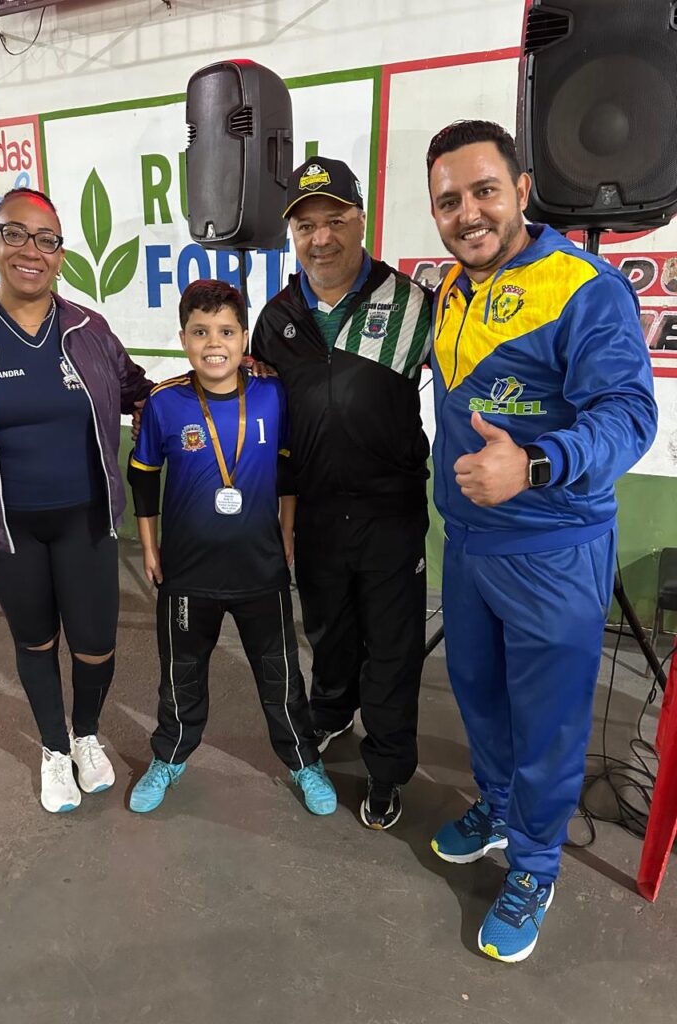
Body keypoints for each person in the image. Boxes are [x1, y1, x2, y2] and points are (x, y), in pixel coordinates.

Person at [425, 120, 658, 961]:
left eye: (484, 190)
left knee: (551, 725)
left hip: (554, 547)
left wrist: (534, 463)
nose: (468, 213)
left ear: (522, 189)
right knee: (479, 697)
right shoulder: (452, 288)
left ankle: (534, 865)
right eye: (448, 200)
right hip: (470, 545)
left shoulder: (586, 288)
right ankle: (497, 804)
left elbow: (631, 417)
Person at [0, 187, 152, 813]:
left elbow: (137, 391)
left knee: (96, 643)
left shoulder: (87, 330)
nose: (31, 251)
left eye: (47, 240)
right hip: (7, 530)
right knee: (36, 641)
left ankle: (87, 734)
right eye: (15, 234)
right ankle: (53, 748)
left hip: (87, 519)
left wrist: (222, 382)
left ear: (60, 256)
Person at [251, 157, 432, 830]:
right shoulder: (276, 319)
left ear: (361, 219)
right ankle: (329, 714)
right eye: (306, 226)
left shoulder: (415, 304)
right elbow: (273, 424)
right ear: (291, 235)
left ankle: (386, 770)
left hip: (391, 512)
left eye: (335, 221)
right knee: (327, 632)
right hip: (317, 512)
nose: (321, 238)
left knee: (391, 646)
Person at [125, 279, 337, 816]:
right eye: (200, 332)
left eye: (225, 331)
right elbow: (143, 476)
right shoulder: (164, 402)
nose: (212, 343)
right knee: (181, 675)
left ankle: (303, 762)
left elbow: (288, 469)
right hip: (188, 573)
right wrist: (150, 547)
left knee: (282, 675)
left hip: (259, 568)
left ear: (245, 339)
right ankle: (169, 757)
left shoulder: (272, 392)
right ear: (183, 338)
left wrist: (287, 530)